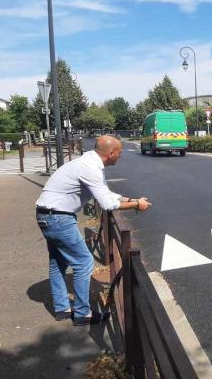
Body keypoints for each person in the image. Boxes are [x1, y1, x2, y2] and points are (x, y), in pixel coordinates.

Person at [36, 135, 152, 326]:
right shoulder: (90, 168)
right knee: (83, 262)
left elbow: (104, 192)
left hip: (47, 215)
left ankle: (62, 308)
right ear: (111, 153)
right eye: (120, 152)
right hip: (58, 218)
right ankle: (83, 314)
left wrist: (128, 198)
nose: (120, 156)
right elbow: (106, 203)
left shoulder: (89, 162)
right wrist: (136, 205)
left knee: (58, 262)